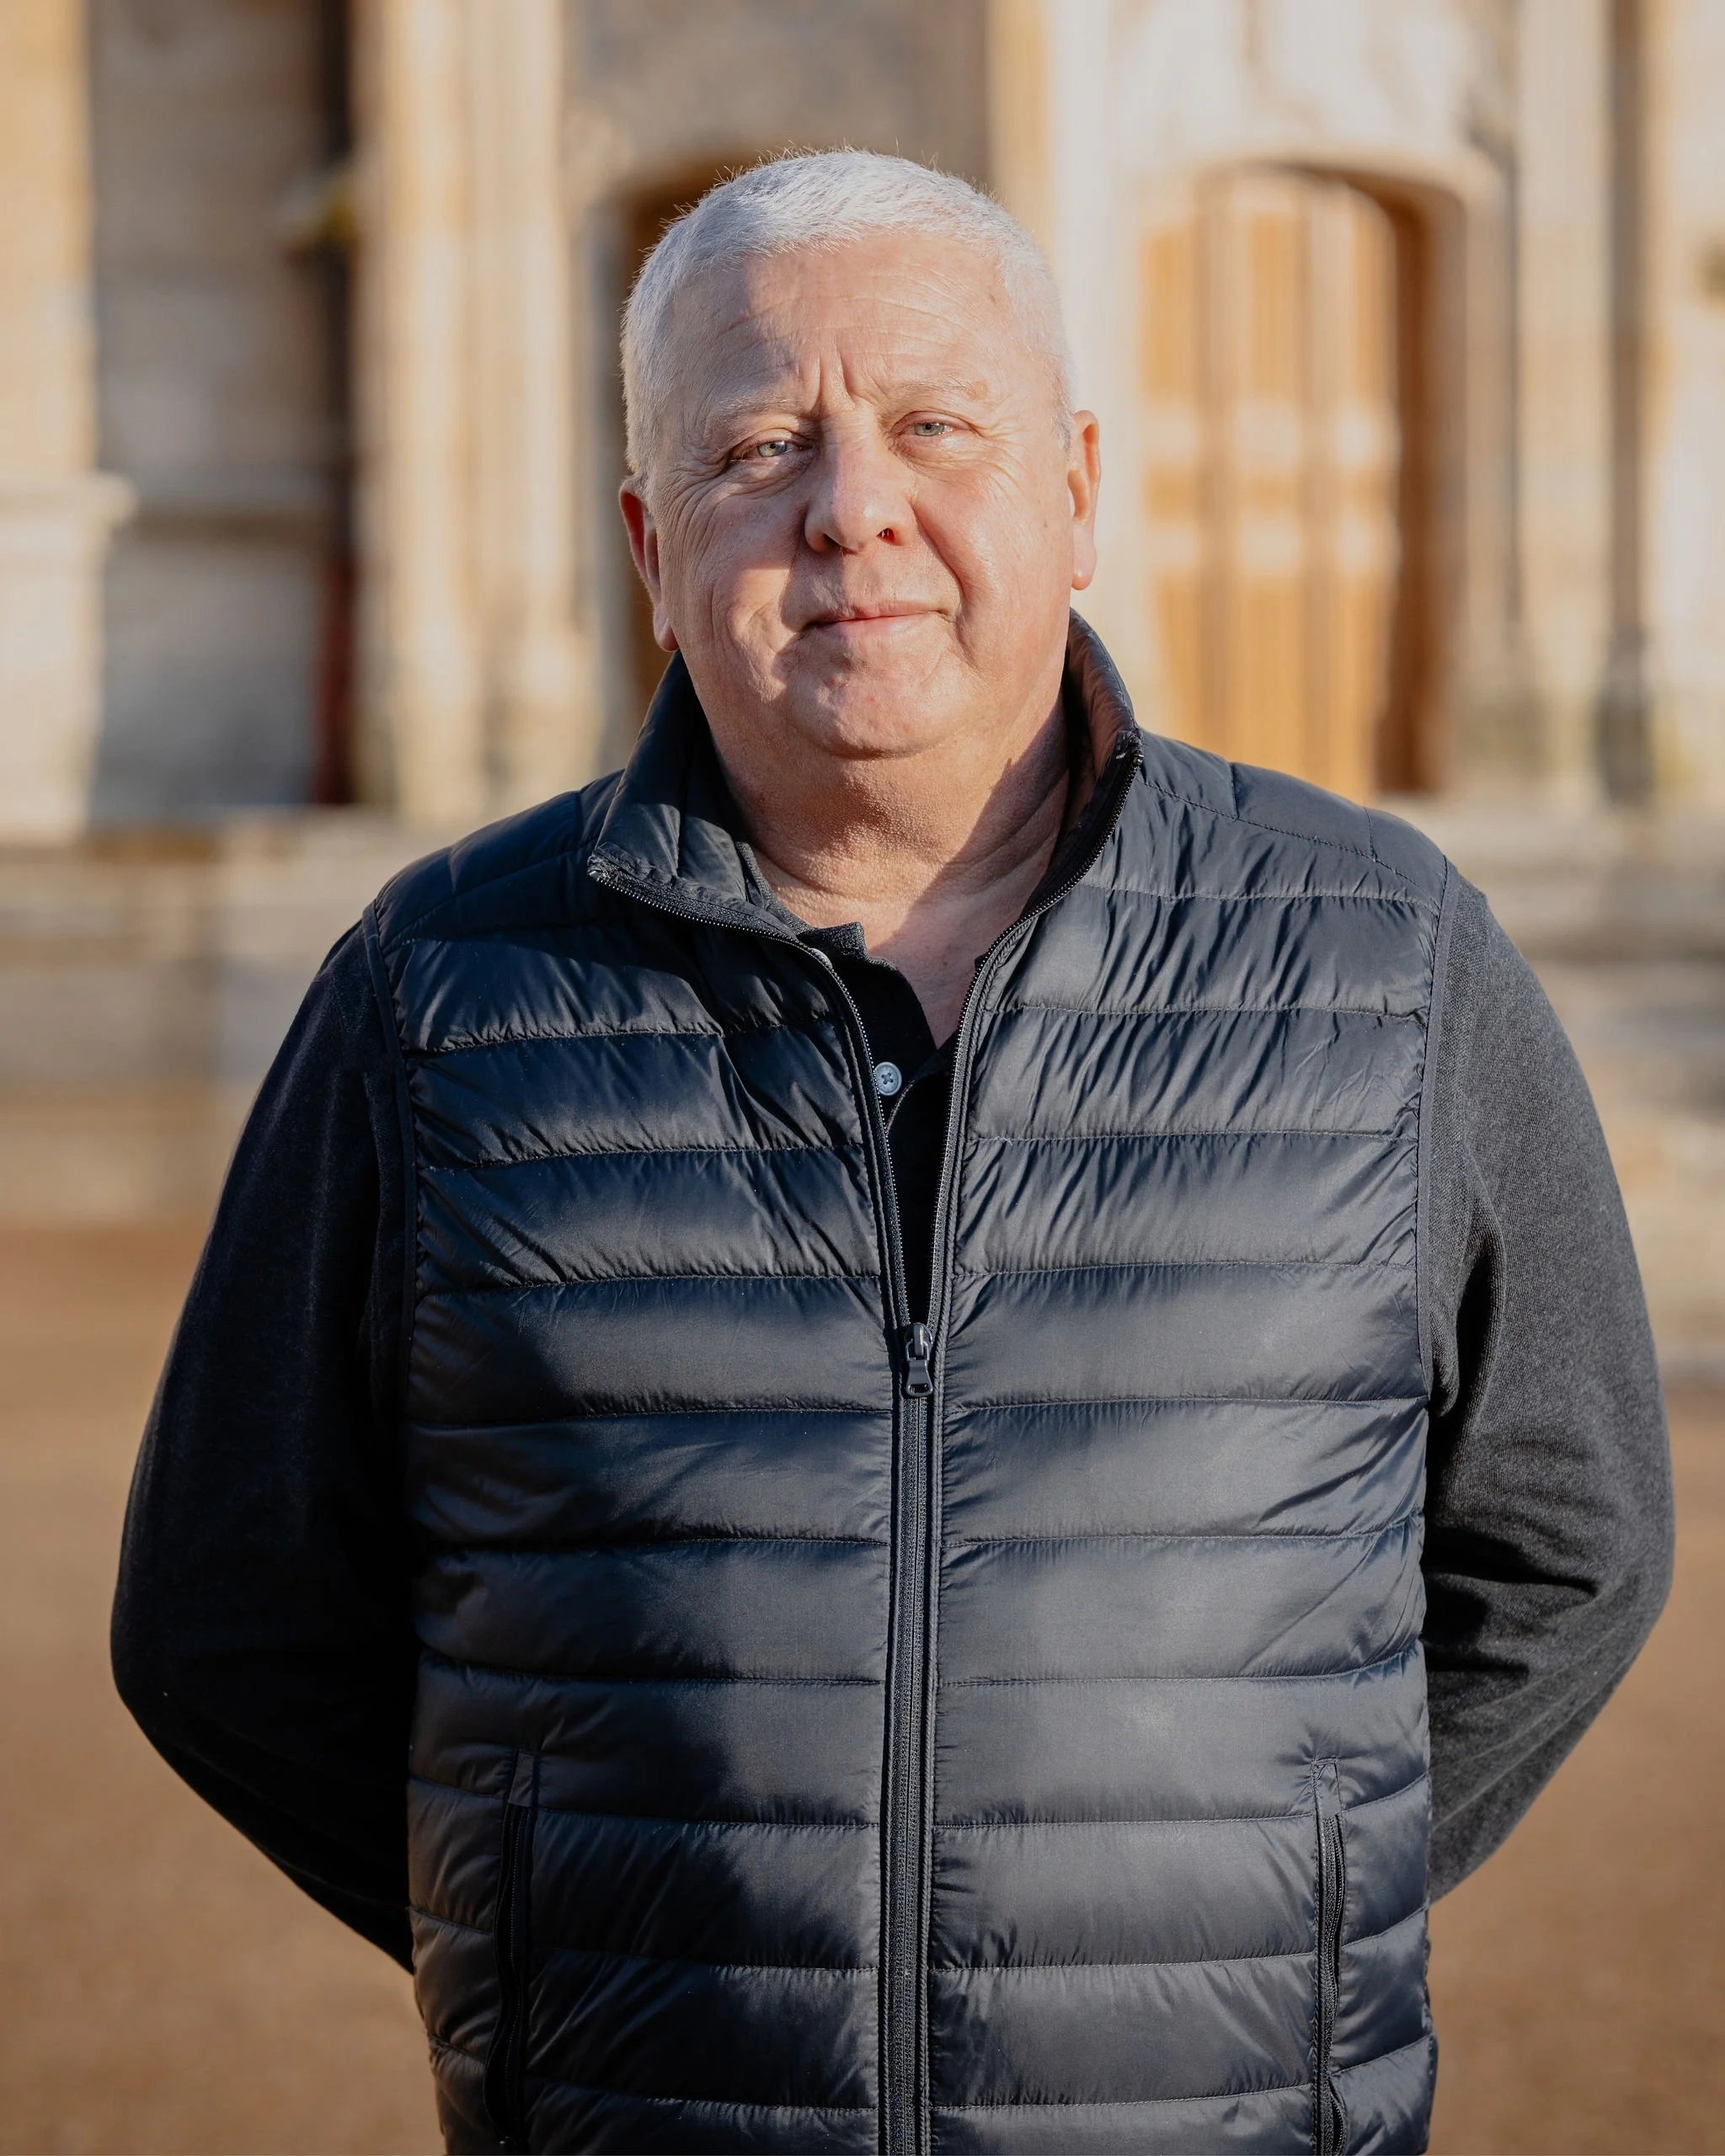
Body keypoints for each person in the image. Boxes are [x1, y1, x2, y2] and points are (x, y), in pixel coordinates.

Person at [113, 152, 1672, 2156]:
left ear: (1079, 490)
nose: (851, 506)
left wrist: (1284, 1889)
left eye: (936, 424)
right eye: (758, 445)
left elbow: (1567, 1534)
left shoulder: (1390, 956)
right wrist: (564, 1928)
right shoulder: (437, 990)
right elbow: (225, 1613)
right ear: (650, 547)